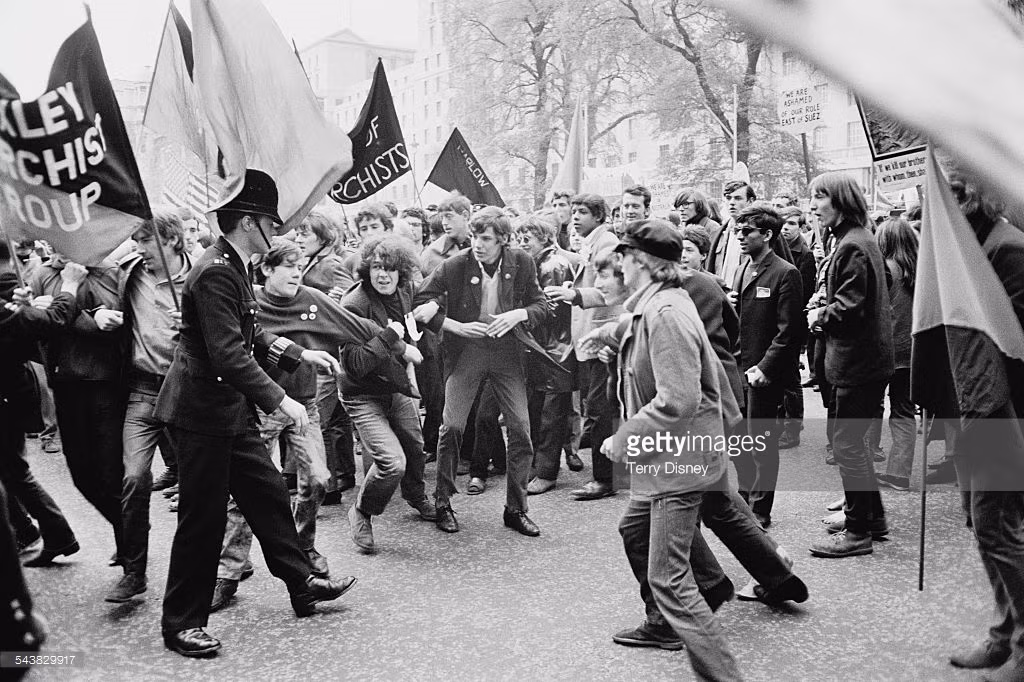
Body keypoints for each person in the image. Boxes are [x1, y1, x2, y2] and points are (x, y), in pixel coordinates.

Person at [153, 169, 357, 657]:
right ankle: (181, 623)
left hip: (227, 410)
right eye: (270, 222)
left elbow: (252, 334)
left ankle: (303, 582)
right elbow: (228, 354)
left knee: (266, 495)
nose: (277, 231)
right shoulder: (217, 271)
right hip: (202, 414)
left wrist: (298, 355)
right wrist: (281, 399)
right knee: (202, 521)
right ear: (248, 222)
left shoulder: (233, 263)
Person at [593, 219, 742, 681]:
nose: (619, 265)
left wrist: (624, 438)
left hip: (680, 459)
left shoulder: (665, 312)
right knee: (635, 529)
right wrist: (609, 333)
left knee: (670, 581)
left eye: (624, 257)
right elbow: (641, 330)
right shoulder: (659, 302)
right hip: (672, 454)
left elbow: (678, 400)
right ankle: (699, 598)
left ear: (641, 262)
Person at [413, 207, 549, 536]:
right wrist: (455, 326)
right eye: (474, 237)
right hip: (468, 352)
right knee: (452, 427)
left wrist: (518, 315)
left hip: (507, 352)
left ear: (503, 240)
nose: (478, 244)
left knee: (520, 429)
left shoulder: (522, 262)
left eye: (486, 238)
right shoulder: (456, 264)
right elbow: (419, 301)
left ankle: (516, 509)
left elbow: (541, 305)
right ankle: (443, 503)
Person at [943, 171, 1024, 682]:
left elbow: (1011, 345)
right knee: (987, 524)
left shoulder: (1007, 248)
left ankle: (1017, 642)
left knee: (995, 524)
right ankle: (1004, 635)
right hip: (982, 410)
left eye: (949, 195)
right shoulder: (974, 246)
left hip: (1003, 414)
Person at [806, 171, 894, 558]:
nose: (813, 206)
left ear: (841, 201)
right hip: (863, 361)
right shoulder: (855, 239)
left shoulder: (853, 244)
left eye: (820, 197)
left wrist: (820, 315)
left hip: (858, 362)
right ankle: (872, 519)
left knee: (847, 445)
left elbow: (850, 307)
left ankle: (858, 532)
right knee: (852, 443)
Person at [107, 209, 192, 603]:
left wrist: (194, 322)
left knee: (202, 484)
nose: (138, 247)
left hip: (187, 392)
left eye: (145, 240)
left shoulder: (200, 275)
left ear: (171, 239)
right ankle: (133, 571)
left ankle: (223, 563)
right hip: (142, 389)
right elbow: (94, 280)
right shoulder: (130, 272)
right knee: (134, 478)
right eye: (137, 239)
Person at [30, 247, 126, 568]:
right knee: (82, 475)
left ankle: (129, 546)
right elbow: (42, 327)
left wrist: (72, 309)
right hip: (65, 383)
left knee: (111, 474)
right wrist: (39, 309)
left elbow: (116, 322)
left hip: (105, 381)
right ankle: (128, 526)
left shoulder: (108, 270)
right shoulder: (43, 274)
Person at [340, 235, 436, 553]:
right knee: (392, 462)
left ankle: (417, 496)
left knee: (415, 447)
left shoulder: (406, 290)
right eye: (377, 267)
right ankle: (362, 512)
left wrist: (434, 306)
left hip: (395, 386)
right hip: (362, 394)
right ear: (366, 270)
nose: (383, 275)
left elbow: (432, 297)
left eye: (390, 268)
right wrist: (391, 339)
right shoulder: (355, 305)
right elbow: (354, 365)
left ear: (402, 272)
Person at [1, 245, 85, 569]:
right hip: (10, 388)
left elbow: (52, 320)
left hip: (7, 392)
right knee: (9, 469)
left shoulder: (8, 292)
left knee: (13, 469)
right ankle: (27, 529)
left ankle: (54, 532)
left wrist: (69, 287)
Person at [729, 204, 804, 529]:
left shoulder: (785, 272)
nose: (740, 236)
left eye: (747, 231)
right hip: (738, 368)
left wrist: (766, 367)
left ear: (767, 234)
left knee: (760, 442)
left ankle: (761, 508)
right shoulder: (742, 269)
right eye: (738, 230)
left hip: (763, 372)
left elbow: (790, 331)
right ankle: (745, 496)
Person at [545, 193, 622, 501]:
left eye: (583, 212)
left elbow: (612, 289)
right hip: (590, 334)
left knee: (601, 408)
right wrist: (573, 287)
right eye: (574, 211)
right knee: (596, 406)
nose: (575, 217)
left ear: (599, 216)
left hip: (602, 335)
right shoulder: (593, 241)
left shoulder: (607, 243)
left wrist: (574, 295)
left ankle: (605, 479)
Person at [295, 210, 357, 505]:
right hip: (322, 352)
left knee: (317, 420)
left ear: (323, 238)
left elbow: (348, 298)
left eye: (304, 233)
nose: (299, 238)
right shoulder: (312, 261)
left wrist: (331, 305)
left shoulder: (331, 264)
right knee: (336, 419)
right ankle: (340, 477)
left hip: (328, 353)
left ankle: (325, 488)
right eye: (298, 233)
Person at [516, 214, 578, 495]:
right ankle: (539, 467)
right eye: (520, 238)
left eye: (526, 238)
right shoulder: (540, 262)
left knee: (551, 416)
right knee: (539, 410)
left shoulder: (553, 265)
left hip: (555, 349)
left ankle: (546, 472)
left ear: (543, 238)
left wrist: (519, 315)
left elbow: (551, 309)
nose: (522, 243)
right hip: (545, 348)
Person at [874, 218, 918, 492]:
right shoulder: (919, 270)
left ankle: (862, 468)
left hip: (884, 350)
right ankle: (899, 473)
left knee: (870, 409)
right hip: (912, 352)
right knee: (903, 412)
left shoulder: (885, 269)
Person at [776, 207, 816, 449]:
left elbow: (804, 296)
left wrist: (799, 335)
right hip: (780, 322)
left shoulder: (805, 255)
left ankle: (793, 427)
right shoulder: (778, 249)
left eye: (792, 223)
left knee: (791, 379)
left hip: (793, 323)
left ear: (801, 227)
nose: (786, 228)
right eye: (784, 223)